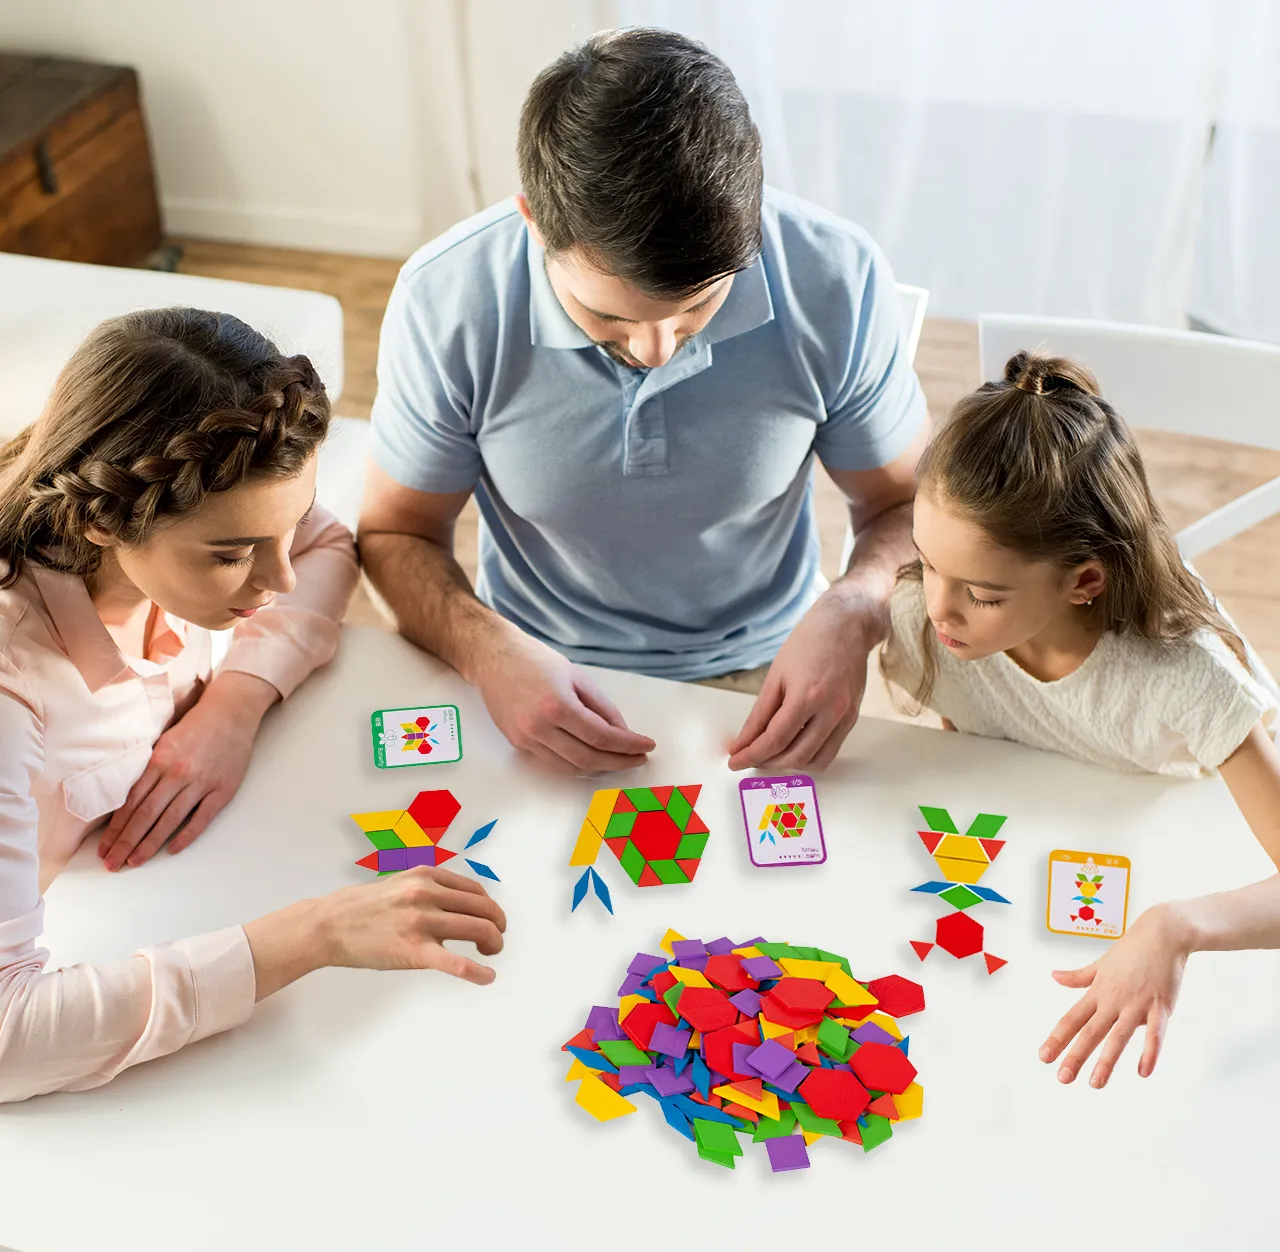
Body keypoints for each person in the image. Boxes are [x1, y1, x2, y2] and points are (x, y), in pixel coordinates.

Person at [358, 27, 929, 776]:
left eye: (697, 310)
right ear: (534, 223)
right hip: (529, 664)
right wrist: (484, 649)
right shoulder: (446, 301)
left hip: (773, 663)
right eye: (608, 317)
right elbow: (395, 534)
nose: (657, 350)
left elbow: (906, 508)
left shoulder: (836, 278)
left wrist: (855, 611)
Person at [0, 309, 505, 1104]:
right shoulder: (13, 689)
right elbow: (9, 1039)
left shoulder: (173, 503)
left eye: (286, 526)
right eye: (232, 555)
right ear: (102, 521)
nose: (282, 580)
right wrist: (316, 932)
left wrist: (234, 703)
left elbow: (326, 546)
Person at [880, 350, 1280, 1089]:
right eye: (927, 561)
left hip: (1216, 859)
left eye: (982, 594)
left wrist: (1177, 925)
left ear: (1084, 581)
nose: (938, 609)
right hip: (1066, 854)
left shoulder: (1187, 675)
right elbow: (974, 752)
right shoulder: (928, 623)